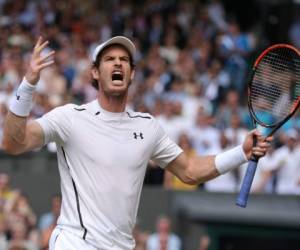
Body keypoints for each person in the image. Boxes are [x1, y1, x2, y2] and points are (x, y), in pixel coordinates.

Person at [2, 36, 272, 250]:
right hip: (75, 243)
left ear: (131, 74)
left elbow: (189, 170)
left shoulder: (147, 126)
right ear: (95, 73)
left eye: (124, 60)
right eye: (109, 59)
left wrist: (241, 152)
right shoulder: (70, 117)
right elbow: (14, 143)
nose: (118, 64)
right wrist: (27, 85)